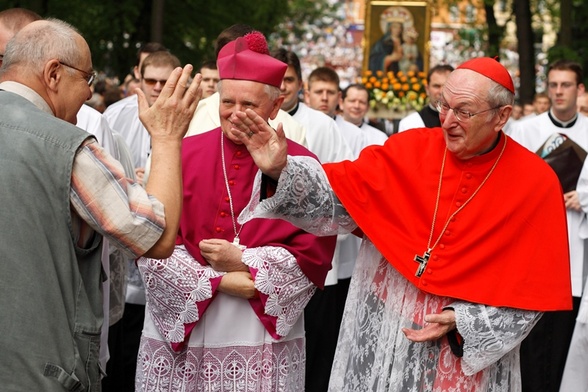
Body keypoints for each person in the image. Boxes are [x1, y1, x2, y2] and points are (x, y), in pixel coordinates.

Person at [229, 57, 572, 391]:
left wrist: (463, 320)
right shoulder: (409, 148)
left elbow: (532, 294)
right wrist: (281, 169)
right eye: (443, 105)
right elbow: (338, 197)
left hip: (462, 353)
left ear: (502, 116)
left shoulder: (535, 183)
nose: (447, 121)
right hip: (390, 326)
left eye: (464, 112)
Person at [0, 18, 202, 392]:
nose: (90, 94)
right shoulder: (67, 147)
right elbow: (155, 237)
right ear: (54, 74)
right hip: (39, 371)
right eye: (87, 79)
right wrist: (167, 137)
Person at [135, 32, 336, 391]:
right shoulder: (181, 153)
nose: (236, 114)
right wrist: (222, 281)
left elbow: (314, 251)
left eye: (250, 105)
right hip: (185, 325)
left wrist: (243, 260)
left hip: (258, 328)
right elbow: (150, 239)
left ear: (276, 107)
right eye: (228, 102)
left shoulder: (301, 165)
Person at [272, 47, 354, 392]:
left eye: (288, 80)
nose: (282, 87)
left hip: (314, 255)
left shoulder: (323, 126)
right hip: (270, 254)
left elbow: (343, 188)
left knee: (317, 350)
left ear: (300, 83)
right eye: (276, 80)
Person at [510, 59, 588, 392]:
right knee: (533, 341)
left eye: (565, 85)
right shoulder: (526, 129)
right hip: (535, 243)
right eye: (553, 85)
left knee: (565, 341)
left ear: (580, 90)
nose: (558, 92)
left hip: (575, 243)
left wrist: (583, 199)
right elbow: (511, 184)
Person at [185, 24, 306, 146]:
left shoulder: (292, 129)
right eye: (230, 60)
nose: (237, 114)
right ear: (218, 64)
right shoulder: (192, 114)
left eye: (248, 104)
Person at [104, 51, 181, 183]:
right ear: (140, 79)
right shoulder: (114, 114)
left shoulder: (192, 117)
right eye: (151, 81)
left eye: (164, 82)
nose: (157, 87)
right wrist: (126, 176)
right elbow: (98, 163)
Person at [398, 64, 454, 132]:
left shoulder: (465, 122)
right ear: (427, 89)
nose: (441, 92)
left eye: (447, 86)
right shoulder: (410, 124)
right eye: (436, 86)